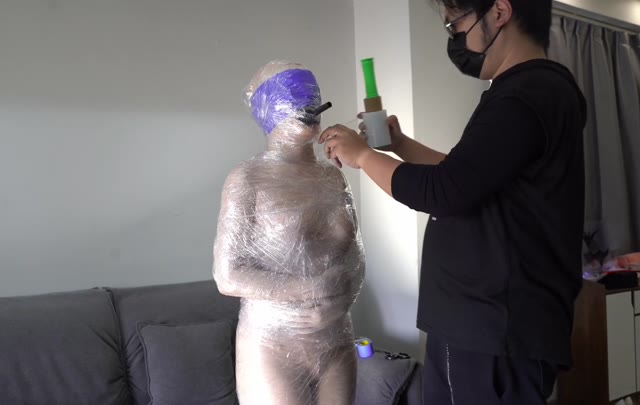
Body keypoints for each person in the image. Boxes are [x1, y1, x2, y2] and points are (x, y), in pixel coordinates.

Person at [318, 0, 587, 403]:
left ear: (499, 12)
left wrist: (363, 156)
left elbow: (443, 191)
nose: (455, 39)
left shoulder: (526, 94)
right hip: (487, 325)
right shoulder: (529, 91)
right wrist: (400, 145)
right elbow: (465, 176)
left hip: (492, 329)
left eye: (455, 25)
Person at [213, 61, 365, 405]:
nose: (308, 106)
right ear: (268, 109)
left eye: (312, 98)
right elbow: (227, 275)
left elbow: (355, 257)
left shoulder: (332, 176)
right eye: (293, 98)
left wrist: (339, 301)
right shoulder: (247, 179)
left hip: (336, 337)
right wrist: (310, 289)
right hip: (273, 346)